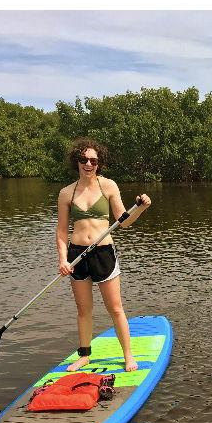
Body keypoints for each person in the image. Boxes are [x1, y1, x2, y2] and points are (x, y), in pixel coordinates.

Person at [56, 138, 151, 372]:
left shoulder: (108, 186)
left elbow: (123, 221)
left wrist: (141, 207)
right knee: (83, 310)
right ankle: (84, 356)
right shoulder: (66, 193)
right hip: (77, 255)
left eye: (93, 160)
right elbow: (61, 231)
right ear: (77, 161)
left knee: (115, 309)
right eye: (83, 159)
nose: (88, 164)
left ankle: (128, 355)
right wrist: (63, 259)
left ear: (99, 163)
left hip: (103, 253)